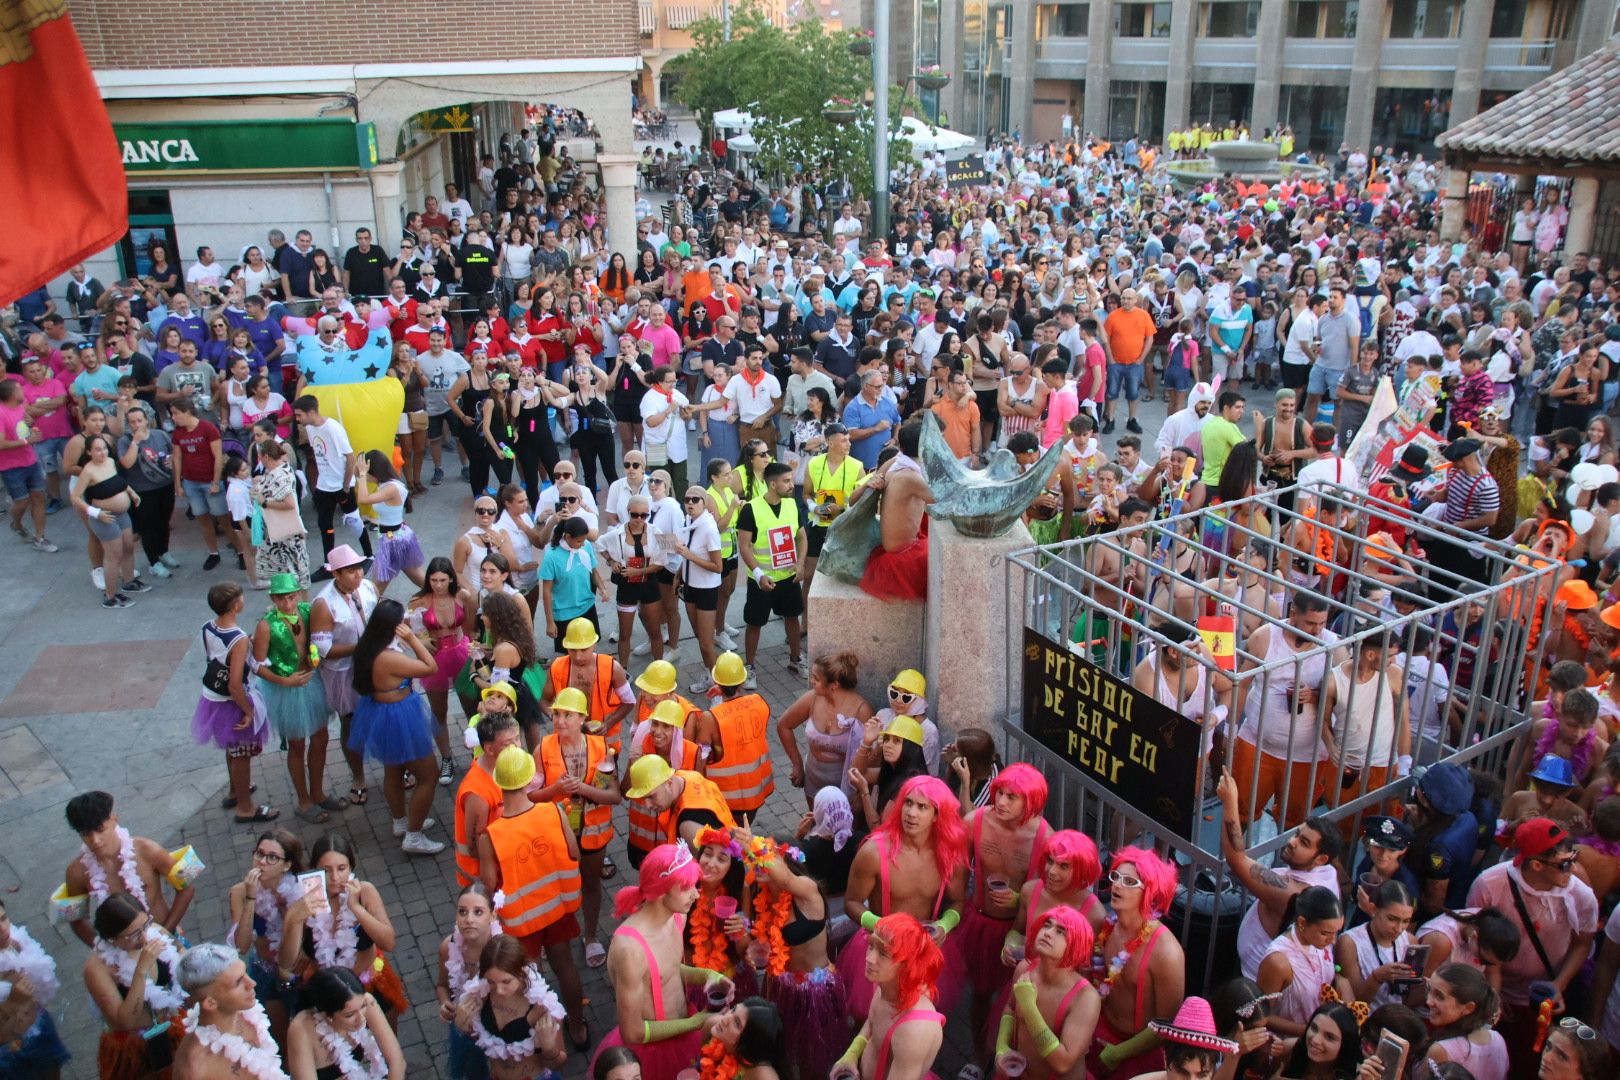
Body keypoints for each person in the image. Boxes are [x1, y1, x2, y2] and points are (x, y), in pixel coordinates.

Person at [593, 843, 733, 1080]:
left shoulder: (677, 915)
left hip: (685, 1028)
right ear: (661, 890)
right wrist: (695, 1023)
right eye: (687, 887)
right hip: (652, 1053)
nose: (696, 894)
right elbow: (633, 1032)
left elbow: (667, 969)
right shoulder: (630, 949)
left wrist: (708, 975)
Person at [1466, 818, 1598, 1066]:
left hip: (1543, 1000)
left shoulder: (1581, 895)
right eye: (1564, 863)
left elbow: (1583, 944)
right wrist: (1493, 990)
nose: (1572, 868)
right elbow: (1476, 939)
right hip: (1495, 995)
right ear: (1536, 864)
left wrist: (1559, 984)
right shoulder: (1489, 885)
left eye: (1573, 858)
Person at [840, 774, 968, 1022]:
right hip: (881, 948)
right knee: (870, 1021)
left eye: (922, 807)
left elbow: (958, 902)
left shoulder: (950, 855)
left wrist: (944, 925)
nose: (911, 813)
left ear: (937, 814)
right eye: (908, 803)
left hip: (923, 950)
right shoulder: (873, 852)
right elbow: (851, 903)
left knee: (918, 1021)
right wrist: (882, 928)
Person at [958, 763, 1053, 1061]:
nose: (1000, 801)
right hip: (980, 923)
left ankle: (1008, 1056)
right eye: (1000, 793)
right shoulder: (975, 821)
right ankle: (978, 1055)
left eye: (1012, 797)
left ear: (1032, 801)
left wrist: (1020, 901)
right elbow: (957, 872)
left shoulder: (1045, 837)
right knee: (981, 993)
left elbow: (1051, 894)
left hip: (1021, 931)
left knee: (1018, 1002)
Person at [536, 686, 623, 970]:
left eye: (568, 715)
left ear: (582, 718)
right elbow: (531, 796)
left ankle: (590, 936)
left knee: (591, 884)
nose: (560, 720)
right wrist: (556, 789)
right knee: (556, 886)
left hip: (594, 834)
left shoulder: (601, 748)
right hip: (557, 833)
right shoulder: (543, 748)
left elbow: (614, 796)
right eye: (557, 714)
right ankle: (555, 935)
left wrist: (584, 789)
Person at [278, 832, 409, 1022]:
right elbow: (287, 961)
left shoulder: (365, 892)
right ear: (315, 869)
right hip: (326, 992)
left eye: (341, 868)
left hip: (368, 987)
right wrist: (293, 919)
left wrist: (356, 908)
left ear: (351, 868)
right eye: (326, 870)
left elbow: (388, 942)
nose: (335, 877)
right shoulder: (304, 901)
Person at [349, 597, 445, 854]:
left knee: (394, 769)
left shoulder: (369, 648)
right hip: (400, 716)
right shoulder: (388, 657)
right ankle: (413, 836)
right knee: (428, 775)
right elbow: (430, 666)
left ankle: (401, 822)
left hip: (382, 713)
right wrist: (413, 639)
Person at [253, 574, 339, 824]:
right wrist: (284, 681)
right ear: (273, 599)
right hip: (287, 689)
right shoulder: (266, 625)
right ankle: (303, 801)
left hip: (312, 682)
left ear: (300, 594)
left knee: (321, 737)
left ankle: (318, 792)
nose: (288, 603)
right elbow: (257, 665)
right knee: (297, 744)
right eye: (281, 598)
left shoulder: (307, 610)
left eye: (291, 596)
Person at [193, 580, 276, 822]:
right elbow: (235, 683)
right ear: (235, 606)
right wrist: (248, 711)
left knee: (231, 748)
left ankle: (234, 790)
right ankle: (245, 807)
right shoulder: (238, 638)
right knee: (241, 753)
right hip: (232, 702)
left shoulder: (208, 626)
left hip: (212, 698)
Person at [84, 891, 188, 1079]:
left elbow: (181, 951)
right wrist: (141, 971)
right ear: (111, 939)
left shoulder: (154, 931)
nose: (143, 937)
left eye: (145, 925)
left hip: (172, 1027)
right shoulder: (97, 969)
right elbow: (123, 1022)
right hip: (135, 1046)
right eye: (133, 934)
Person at [991, 904, 1101, 1080]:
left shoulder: (1086, 998)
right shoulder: (1024, 968)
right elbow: (1010, 1009)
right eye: (1047, 925)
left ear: (1076, 944)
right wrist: (1002, 1048)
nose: (1048, 933)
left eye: (1061, 932)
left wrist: (1029, 1007)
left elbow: (1063, 1062)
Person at [831, 912, 946, 1080]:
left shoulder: (914, 1031)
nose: (870, 959)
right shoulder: (885, 987)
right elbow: (872, 1024)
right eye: (871, 946)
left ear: (908, 965)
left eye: (884, 954)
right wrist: (852, 1054)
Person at [775, 650, 875, 806]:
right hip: (813, 785)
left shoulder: (862, 711)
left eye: (816, 678)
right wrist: (797, 764)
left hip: (847, 792)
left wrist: (862, 794)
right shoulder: (812, 698)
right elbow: (784, 725)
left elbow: (872, 760)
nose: (811, 681)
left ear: (834, 685)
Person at [170, 942, 283, 1080]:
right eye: (237, 982)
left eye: (245, 973)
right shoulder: (195, 1069)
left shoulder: (248, 1014)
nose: (252, 983)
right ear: (211, 1003)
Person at [736, 461, 806, 680]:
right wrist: (758, 574)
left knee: (792, 617)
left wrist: (801, 563)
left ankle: (796, 660)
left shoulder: (792, 505)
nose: (791, 485)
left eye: (791, 480)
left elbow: (802, 536)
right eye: (786, 481)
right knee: (754, 623)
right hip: (762, 580)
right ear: (772, 484)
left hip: (788, 577)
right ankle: (750, 668)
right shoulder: (751, 509)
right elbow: (744, 545)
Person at [294, 394, 373, 574]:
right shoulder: (311, 429)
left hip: (340, 485)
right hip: (324, 485)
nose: (297, 420)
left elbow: (350, 457)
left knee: (353, 520)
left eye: (300, 415)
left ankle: (369, 555)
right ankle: (328, 564)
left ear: (312, 412)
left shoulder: (333, 429)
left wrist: (346, 486)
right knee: (324, 524)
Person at [1255, 886, 1350, 1035]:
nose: (1333, 940)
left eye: (1337, 932)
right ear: (1302, 923)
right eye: (1325, 933)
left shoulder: (1320, 941)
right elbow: (1261, 1016)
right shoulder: (1278, 963)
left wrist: (1341, 983)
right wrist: (1310, 1031)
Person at [286, 965, 408, 1080]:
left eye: (362, 1007)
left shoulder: (366, 1002)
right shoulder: (301, 1030)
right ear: (327, 1015)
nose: (361, 1019)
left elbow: (397, 1061)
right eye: (349, 1015)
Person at [0, 896, 70, 1079]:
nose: (2, 929)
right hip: (6, 1055)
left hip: (38, 1029)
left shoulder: (14, 941)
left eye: (3, 918)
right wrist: (12, 1002)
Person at [704, 651, 775, 818]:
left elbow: (701, 755)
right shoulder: (760, 702)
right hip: (756, 792)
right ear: (743, 680)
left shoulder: (711, 717)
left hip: (725, 799)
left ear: (716, 681)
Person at [353, 449, 425, 593]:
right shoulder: (389, 483)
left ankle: (369, 612)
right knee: (418, 578)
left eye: (367, 473)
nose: (365, 477)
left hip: (393, 541)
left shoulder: (391, 488)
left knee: (377, 587)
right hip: (395, 536)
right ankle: (447, 595)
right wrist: (359, 468)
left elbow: (363, 499)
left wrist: (361, 473)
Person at [1422, 963, 1508, 1080]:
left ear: (1468, 1008)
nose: (1429, 1001)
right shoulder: (1498, 1039)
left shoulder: (1441, 1050)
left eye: (1439, 996)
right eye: (1429, 989)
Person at [1270, 1002, 1361, 1080]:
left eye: (1329, 1037)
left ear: (1346, 1045)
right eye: (1314, 1028)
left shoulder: (1356, 1075)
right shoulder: (1289, 1048)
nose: (1315, 1040)